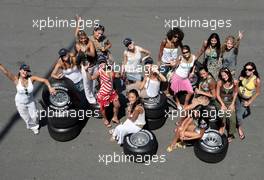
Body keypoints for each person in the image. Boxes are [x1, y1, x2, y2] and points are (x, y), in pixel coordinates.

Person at [0, 63, 56, 134]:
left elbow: (45, 80)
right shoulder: (16, 80)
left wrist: (50, 87)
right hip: (20, 103)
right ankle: (33, 127)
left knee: (35, 116)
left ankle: (35, 123)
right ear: (20, 70)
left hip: (30, 101)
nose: (25, 72)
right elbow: (6, 72)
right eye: (24, 70)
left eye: (27, 71)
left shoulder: (31, 79)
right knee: (26, 117)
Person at [87, 55, 120, 128]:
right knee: (103, 109)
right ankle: (105, 119)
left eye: (103, 62)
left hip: (111, 92)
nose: (101, 64)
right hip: (103, 93)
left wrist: (118, 68)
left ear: (106, 62)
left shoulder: (110, 68)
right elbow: (91, 78)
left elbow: (117, 75)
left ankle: (115, 117)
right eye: (100, 63)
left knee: (117, 105)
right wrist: (87, 71)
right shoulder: (99, 71)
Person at [236, 62, 261, 140]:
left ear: (253, 70)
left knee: (239, 116)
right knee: (236, 111)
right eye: (246, 69)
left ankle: (239, 128)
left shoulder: (256, 80)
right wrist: (238, 81)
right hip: (237, 96)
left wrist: (249, 102)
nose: (247, 71)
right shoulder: (243, 74)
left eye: (249, 69)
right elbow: (237, 85)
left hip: (245, 100)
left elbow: (257, 93)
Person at [158, 28, 184, 96]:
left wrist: (179, 60)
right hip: (165, 63)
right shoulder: (165, 42)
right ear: (171, 35)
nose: (176, 38)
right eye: (175, 36)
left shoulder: (178, 43)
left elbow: (183, 50)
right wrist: (159, 62)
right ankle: (160, 90)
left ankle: (168, 91)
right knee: (162, 77)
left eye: (178, 37)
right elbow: (160, 52)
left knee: (171, 78)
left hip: (174, 64)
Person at [170, 45, 196, 109]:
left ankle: (185, 104)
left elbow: (194, 65)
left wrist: (192, 72)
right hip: (177, 76)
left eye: (186, 52)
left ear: (189, 51)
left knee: (191, 92)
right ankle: (177, 102)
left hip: (185, 78)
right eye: (183, 53)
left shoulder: (193, 57)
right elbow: (175, 66)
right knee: (175, 91)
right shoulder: (180, 57)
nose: (185, 54)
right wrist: (172, 64)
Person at [216, 68, 238, 142]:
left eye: (225, 74)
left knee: (232, 118)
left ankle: (230, 133)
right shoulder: (220, 82)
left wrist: (232, 104)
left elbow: (235, 93)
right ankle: (223, 126)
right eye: (222, 75)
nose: (224, 77)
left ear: (229, 74)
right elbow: (217, 95)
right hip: (221, 102)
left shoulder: (234, 82)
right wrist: (222, 105)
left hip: (230, 102)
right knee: (222, 114)